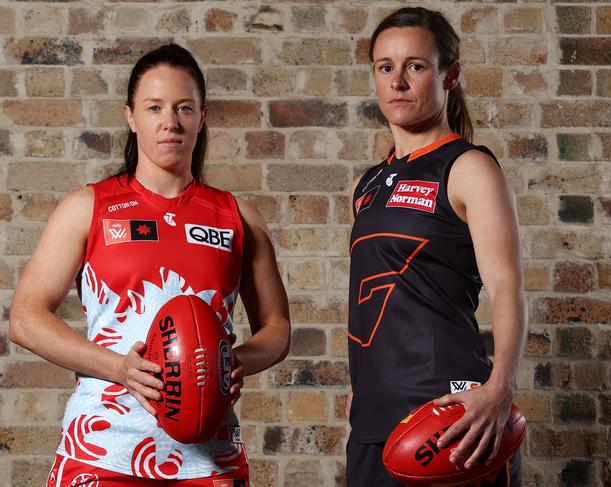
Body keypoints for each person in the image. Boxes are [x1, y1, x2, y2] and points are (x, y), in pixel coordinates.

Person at [9, 44, 290, 486]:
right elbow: (25, 319)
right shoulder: (89, 206)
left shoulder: (238, 216)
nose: (170, 122)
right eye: (154, 107)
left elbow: (276, 327)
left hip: (209, 456)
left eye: (184, 108)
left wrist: (231, 363)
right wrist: (120, 367)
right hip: (104, 450)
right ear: (130, 116)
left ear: (202, 116)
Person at [346, 7, 527, 487]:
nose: (398, 81)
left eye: (416, 66)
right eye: (385, 67)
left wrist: (501, 388)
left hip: (449, 416)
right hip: (373, 419)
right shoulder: (366, 185)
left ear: (451, 75)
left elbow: (506, 285)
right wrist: (360, 388)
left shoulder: (468, 168)